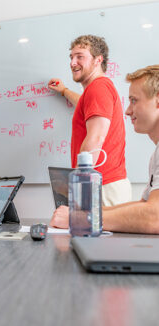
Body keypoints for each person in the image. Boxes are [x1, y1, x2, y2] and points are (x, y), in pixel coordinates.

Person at [51, 65, 159, 234]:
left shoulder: (100, 86)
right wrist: (82, 214)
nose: (128, 111)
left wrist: (80, 218)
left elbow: (155, 217)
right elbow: (145, 206)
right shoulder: (156, 155)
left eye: (134, 101)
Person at [48, 35, 131, 206]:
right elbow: (85, 105)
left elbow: (95, 138)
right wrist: (64, 91)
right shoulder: (97, 90)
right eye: (71, 57)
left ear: (97, 60)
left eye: (80, 56)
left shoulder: (98, 87)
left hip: (101, 187)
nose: (72, 62)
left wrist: (79, 186)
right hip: (103, 185)